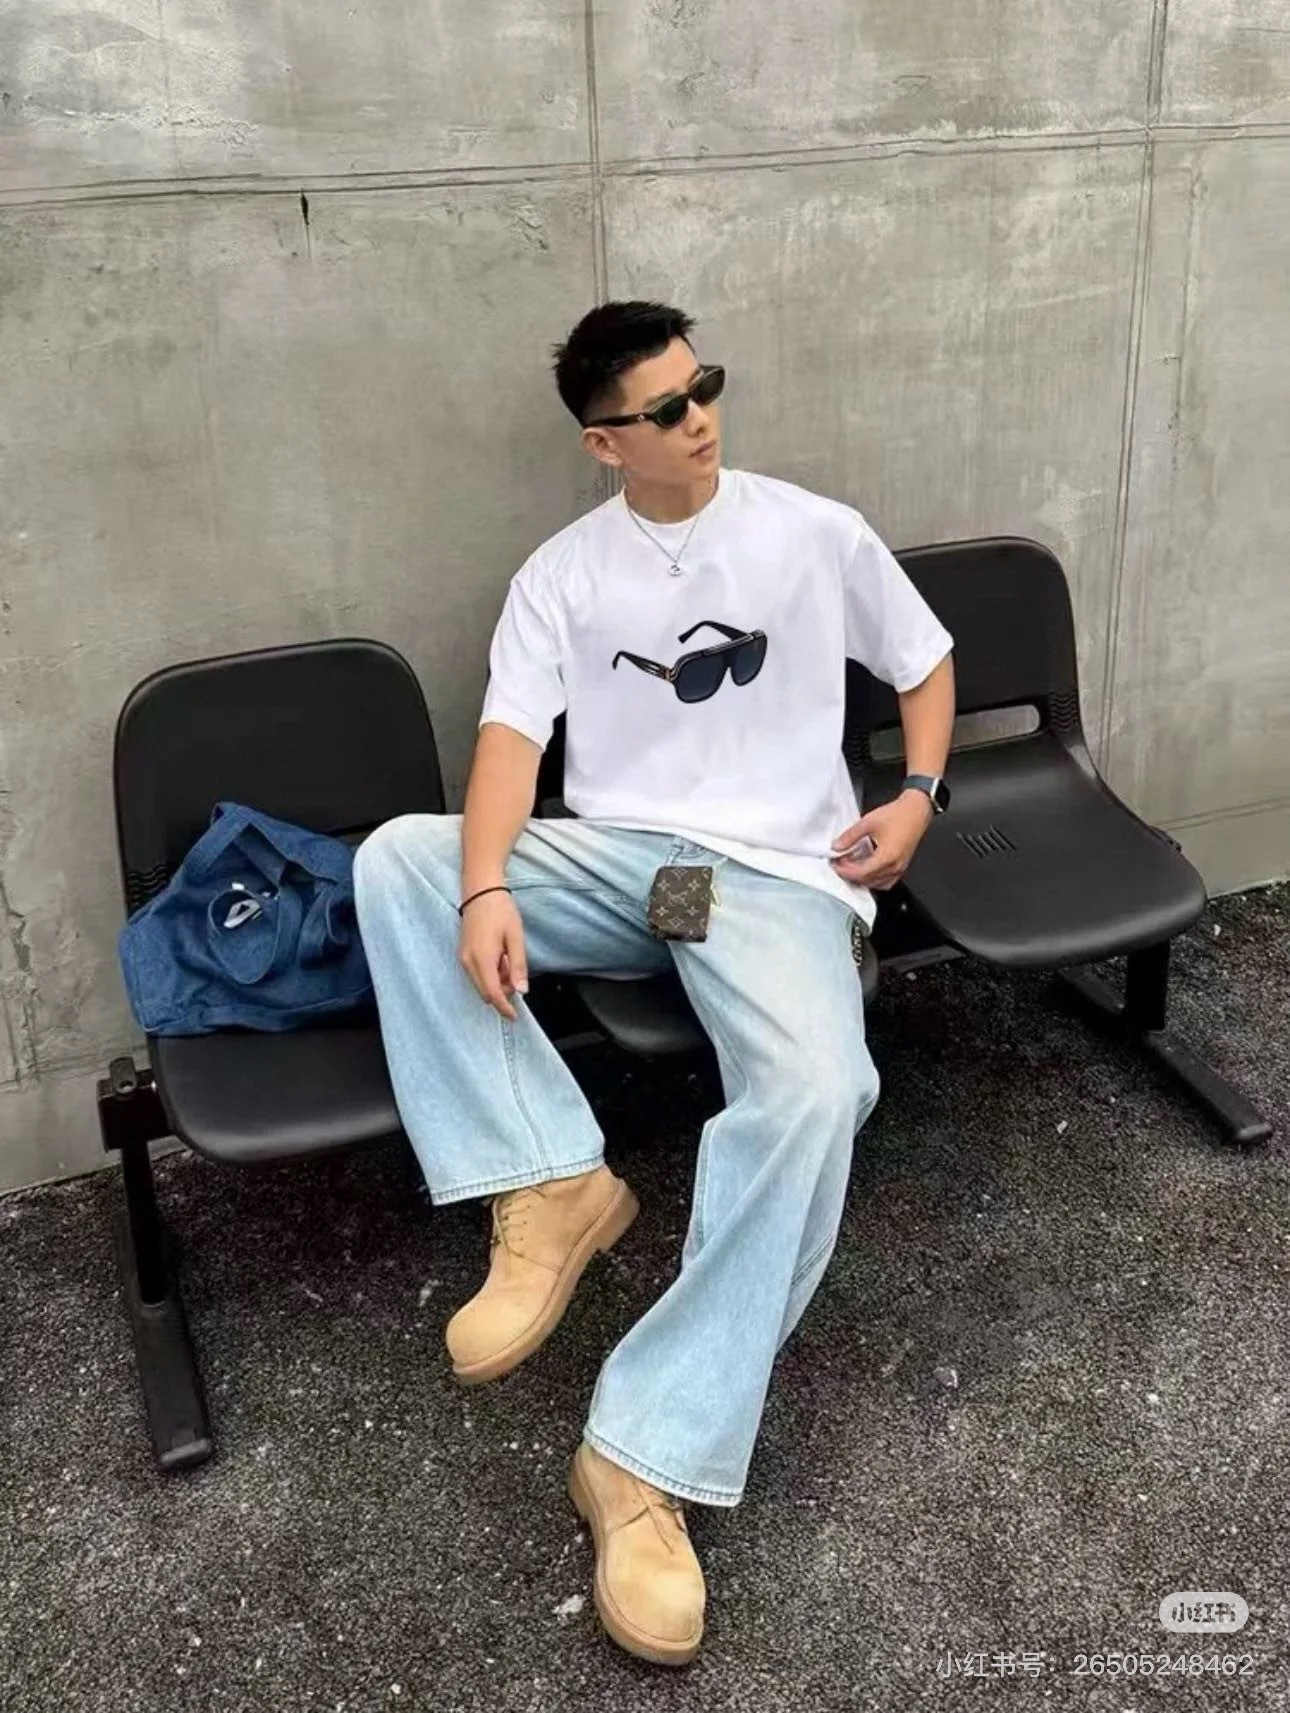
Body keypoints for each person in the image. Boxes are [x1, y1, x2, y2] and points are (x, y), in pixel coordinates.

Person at [353, 300, 955, 1667]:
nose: (700, 418)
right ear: (603, 442)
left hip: (770, 878)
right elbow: (511, 743)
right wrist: (485, 886)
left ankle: (642, 1454)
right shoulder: (563, 575)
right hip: (632, 866)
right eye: (667, 407)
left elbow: (924, 661)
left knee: (819, 1091)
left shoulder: (810, 531)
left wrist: (918, 794)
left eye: (705, 387)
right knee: (401, 861)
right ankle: (548, 1180)